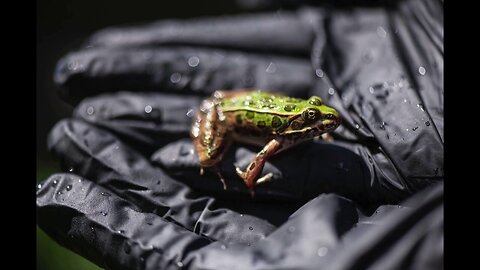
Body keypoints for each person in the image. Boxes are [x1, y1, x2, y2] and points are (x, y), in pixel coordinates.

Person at [37, 0, 443, 269]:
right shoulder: (280, 136)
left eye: (315, 120)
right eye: (312, 122)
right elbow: (257, 162)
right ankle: (212, 159)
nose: (320, 123)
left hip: (241, 100)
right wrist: (249, 178)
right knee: (209, 157)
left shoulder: (300, 126)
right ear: (296, 125)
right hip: (228, 115)